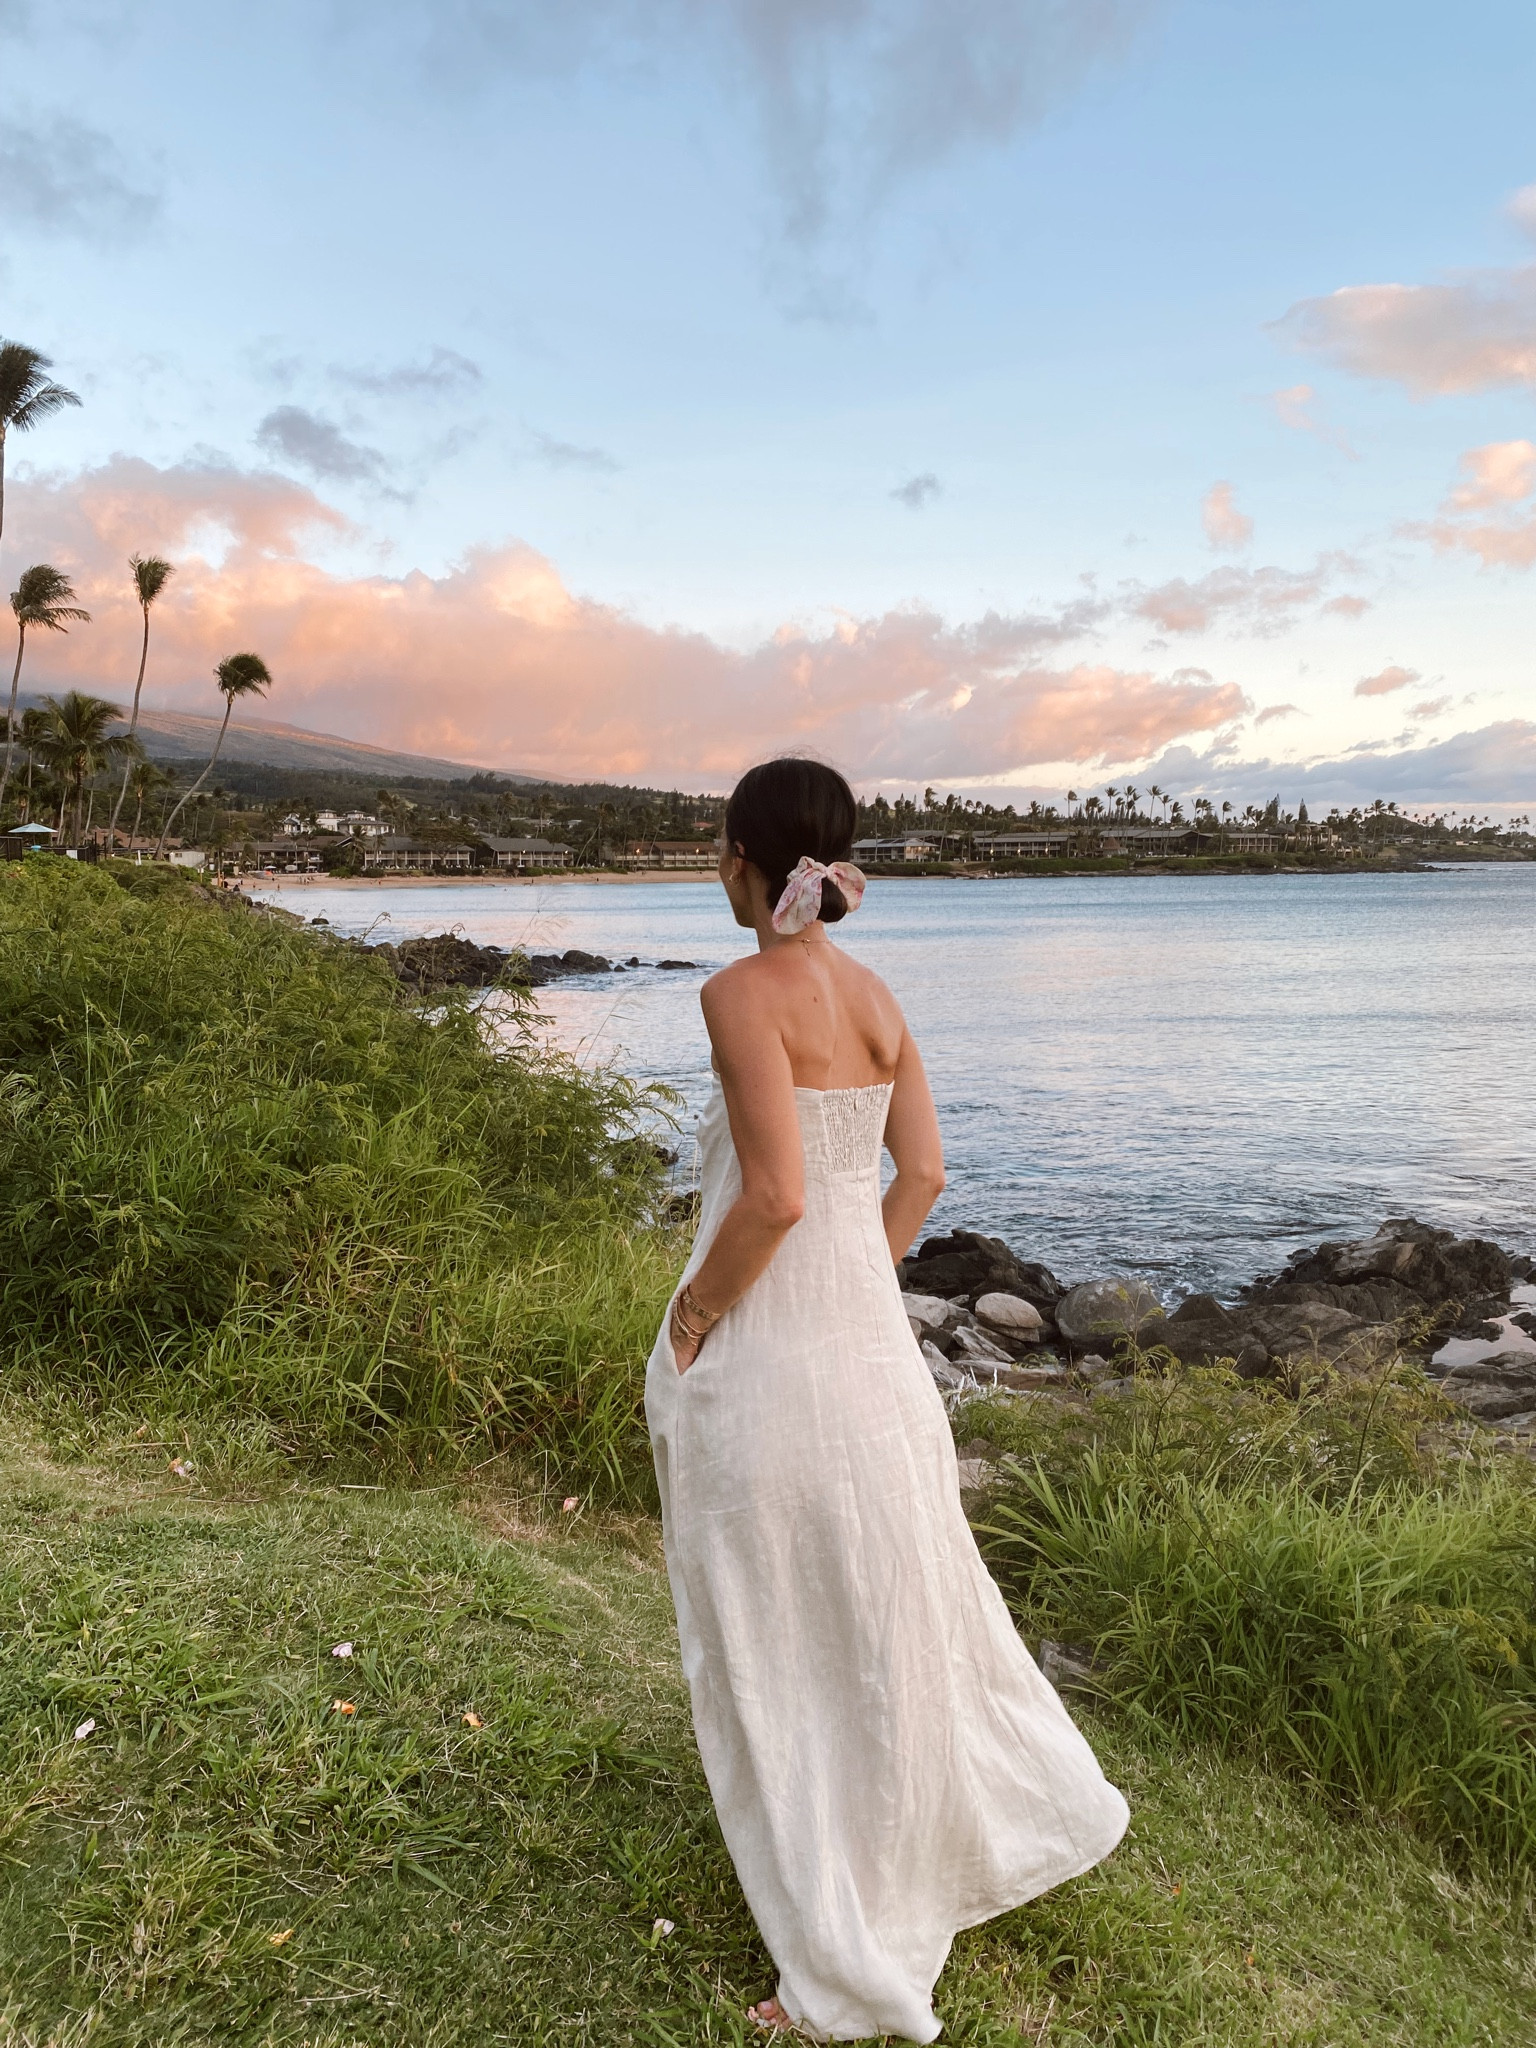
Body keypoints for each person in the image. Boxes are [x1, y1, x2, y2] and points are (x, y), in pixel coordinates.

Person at [645, 758, 1129, 2043]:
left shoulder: (738, 992)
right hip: (871, 1355)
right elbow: (921, 1174)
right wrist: (863, 1276)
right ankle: (910, 1849)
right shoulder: (877, 996)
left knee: (775, 1620)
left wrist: (690, 1320)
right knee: (886, 1611)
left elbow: (776, 1196)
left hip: (769, 1352)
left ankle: (843, 1949)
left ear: (742, 860)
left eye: (719, 848)